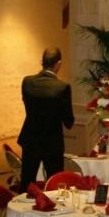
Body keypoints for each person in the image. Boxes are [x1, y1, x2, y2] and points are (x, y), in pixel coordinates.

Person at [17, 47, 75, 189]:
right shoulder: (62, 87)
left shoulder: (27, 82)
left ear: (41, 62)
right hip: (52, 141)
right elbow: (68, 121)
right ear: (58, 64)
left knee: (27, 182)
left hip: (30, 138)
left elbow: (28, 105)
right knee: (54, 184)